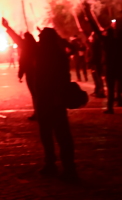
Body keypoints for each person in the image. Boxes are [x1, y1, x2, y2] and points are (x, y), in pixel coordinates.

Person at [5, 18, 77, 180]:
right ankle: (56, 165)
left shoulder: (48, 54)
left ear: (47, 40)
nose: (39, 39)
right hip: (49, 100)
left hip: (51, 99)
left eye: (42, 37)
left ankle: (64, 167)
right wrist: (8, 28)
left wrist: (9, 28)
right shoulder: (53, 53)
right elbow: (22, 42)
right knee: (52, 134)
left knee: (58, 135)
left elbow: (22, 43)